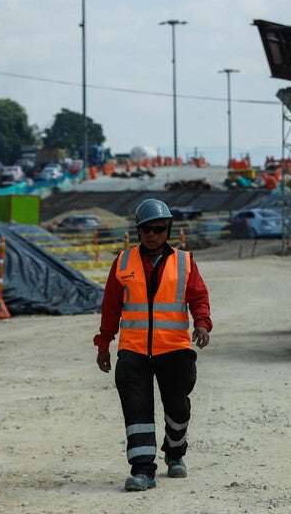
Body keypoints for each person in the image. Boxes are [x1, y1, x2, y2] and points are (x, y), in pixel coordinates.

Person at [94, 198, 212, 492]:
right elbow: (110, 308)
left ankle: (175, 452)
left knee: (178, 409)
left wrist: (201, 323)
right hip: (133, 352)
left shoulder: (185, 262)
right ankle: (143, 470)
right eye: (146, 229)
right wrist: (103, 344)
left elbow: (198, 298)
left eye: (158, 229)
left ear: (168, 230)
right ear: (138, 231)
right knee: (137, 412)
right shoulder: (122, 263)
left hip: (175, 350)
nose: (152, 234)